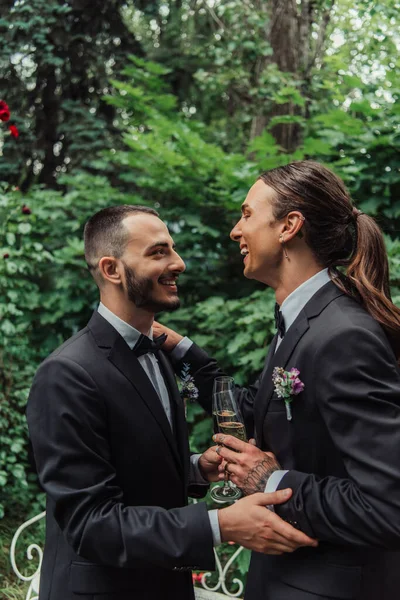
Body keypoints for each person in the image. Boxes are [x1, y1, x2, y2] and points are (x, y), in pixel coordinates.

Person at [26, 205, 316, 600]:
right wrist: (219, 525)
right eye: (158, 252)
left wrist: (197, 468)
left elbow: (131, 466)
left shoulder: (160, 355)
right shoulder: (67, 373)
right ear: (112, 270)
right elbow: (91, 525)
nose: (178, 263)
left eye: (173, 250)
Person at [154, 161, 400, 600]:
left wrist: (269, 480)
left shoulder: (343, 334)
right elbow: (263, 414)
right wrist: (181, 352)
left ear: (289, 226)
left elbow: (389, 505)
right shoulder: (305, 321)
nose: (235, 230)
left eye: (247, 214)